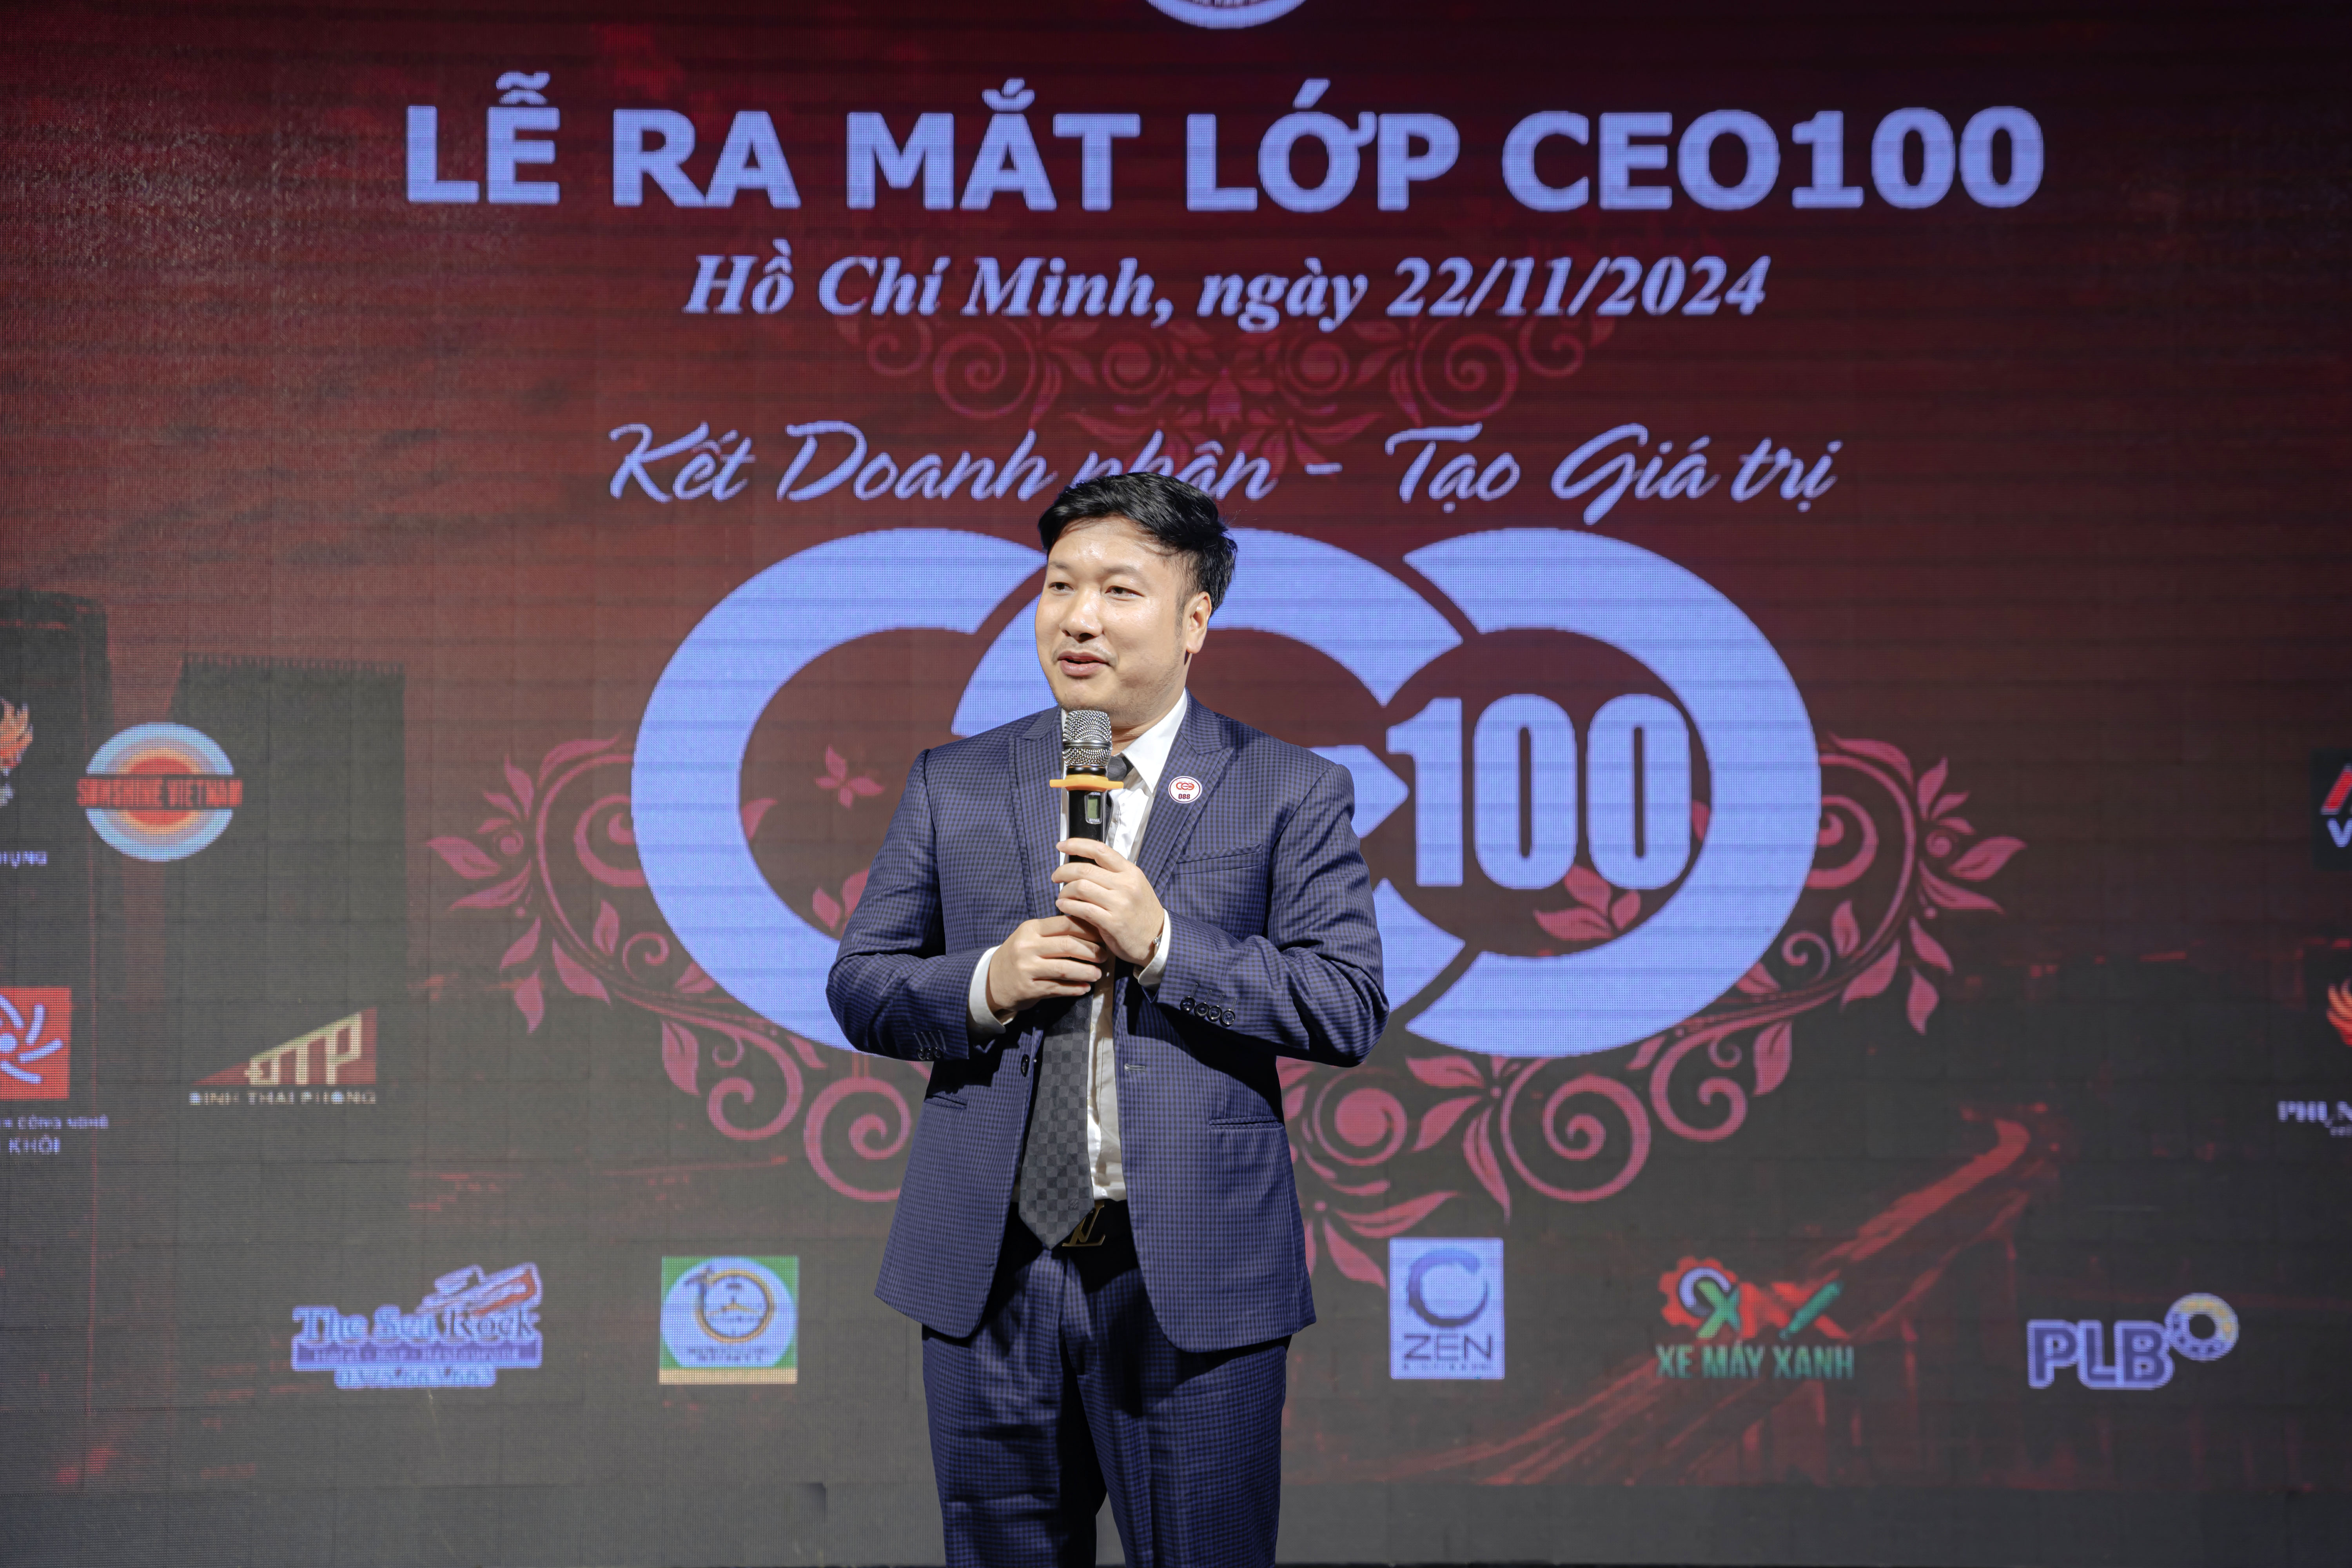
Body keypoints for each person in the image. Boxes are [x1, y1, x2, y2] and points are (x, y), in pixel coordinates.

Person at [827, 472, 1387, 1567]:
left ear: (1194, 621)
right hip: (992, 1271)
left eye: (1119, 590)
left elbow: (1345, 1002)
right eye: (1059, 586)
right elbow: (863, 983)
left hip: (1191, 1273)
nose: (1078, 617)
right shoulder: (958, 781)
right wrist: (988, 981)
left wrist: (1166, 942)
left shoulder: (1287, 788)